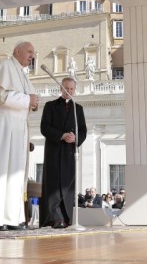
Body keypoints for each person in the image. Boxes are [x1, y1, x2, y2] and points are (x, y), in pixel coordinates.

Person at [0, 41, 39, 231]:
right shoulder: (5, 65)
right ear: (17, 51)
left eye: (33, 53)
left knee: (15, 173)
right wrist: (28, 100)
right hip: (2, 125)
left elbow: (28, 99)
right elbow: (2, 97)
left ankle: (12, 218)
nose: (32, 55)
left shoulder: (22, 74)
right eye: (29, 51)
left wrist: (33, 102)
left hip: (18, 128)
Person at [40, 76, 87, 229]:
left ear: (75, 90)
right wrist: (61, 135)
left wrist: (75, 138)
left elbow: (83, 130)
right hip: (54, 151)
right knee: (54, 185)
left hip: (69, 153)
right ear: (61, 88)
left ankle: (66, 218)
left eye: (72, 88)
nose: (69, 91)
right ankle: (54, 218)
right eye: (66, 88)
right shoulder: (50, 106)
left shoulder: (78, 109)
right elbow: (44, 127)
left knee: (67, 186)